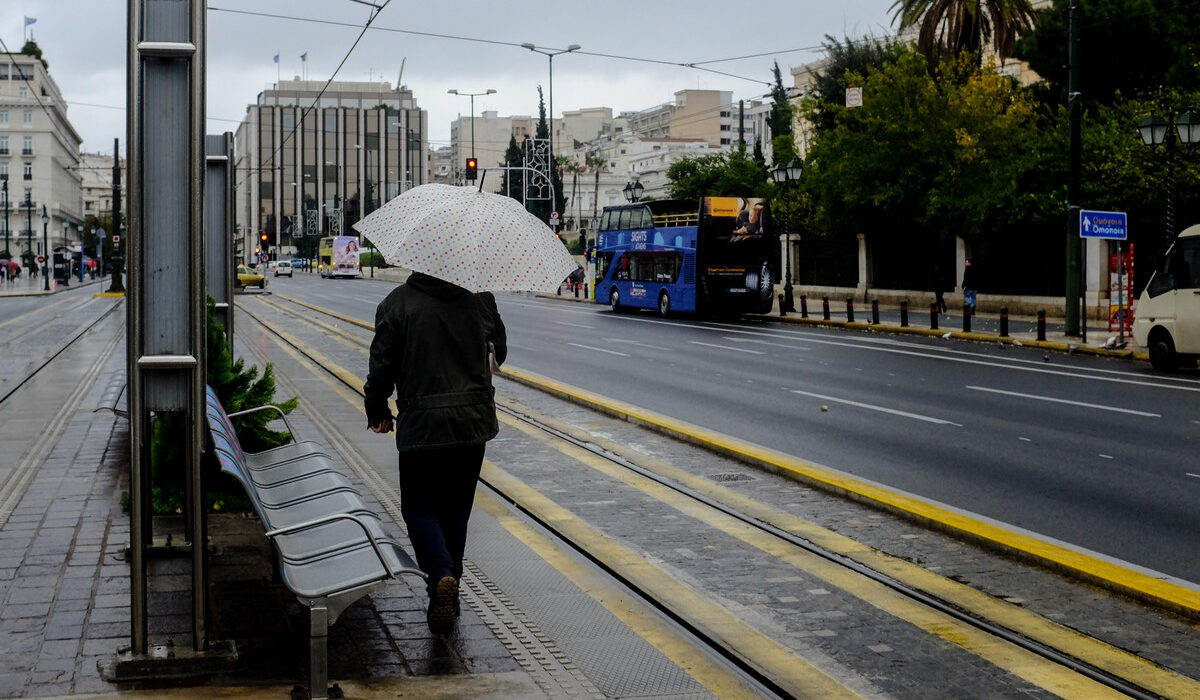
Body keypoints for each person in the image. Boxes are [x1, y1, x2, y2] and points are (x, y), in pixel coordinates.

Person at [363, 271, 507, 635]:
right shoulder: (481, 298)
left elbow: (382, 366)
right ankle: (448, 594)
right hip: (472, 425)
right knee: (456, 513)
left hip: (422, 427)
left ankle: (441, 576)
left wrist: (377, 409)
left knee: (420, 509)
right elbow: (500, 353)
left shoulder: (397, 303)